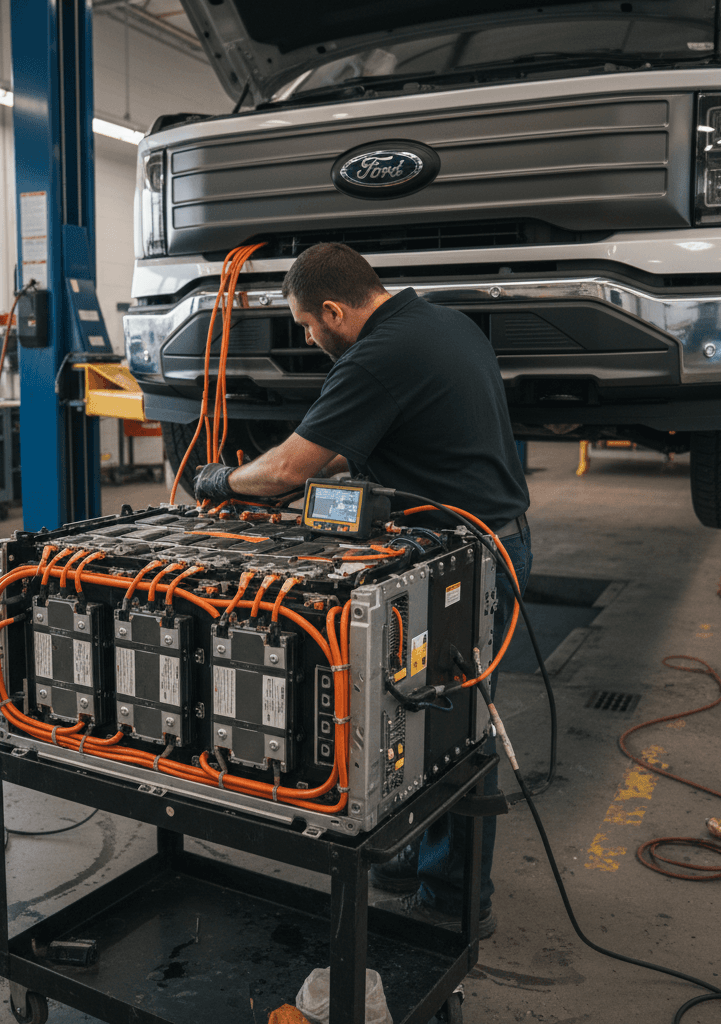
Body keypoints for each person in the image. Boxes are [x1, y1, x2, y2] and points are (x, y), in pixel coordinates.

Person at [193, 241, 531, 940]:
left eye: (307, 326)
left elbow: (290, 467)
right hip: (481, 540)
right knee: (414, 713)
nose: (309, 339)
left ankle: (452, 901)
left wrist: (220, 481)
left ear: (334, 310)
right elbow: (355, 443)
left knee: (454, 732)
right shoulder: (441, 323)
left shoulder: (376, 356)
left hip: (469, 557)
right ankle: (404, 866)